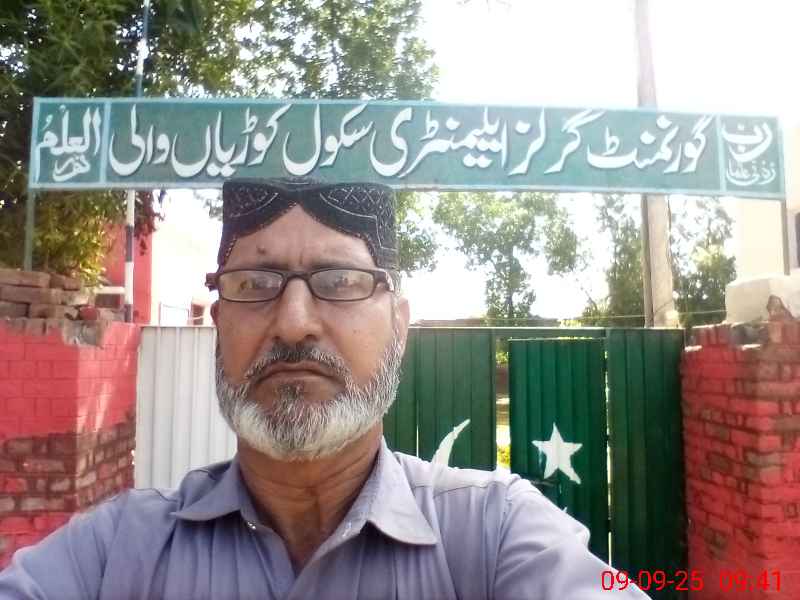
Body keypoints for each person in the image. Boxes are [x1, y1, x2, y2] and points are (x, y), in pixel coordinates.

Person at [0, 178, 648, 599]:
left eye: (340, 282)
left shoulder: (496, 535)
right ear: (218, 324)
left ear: (399, 325)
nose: (293, 323)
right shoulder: (116, 555)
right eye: (255, 285)